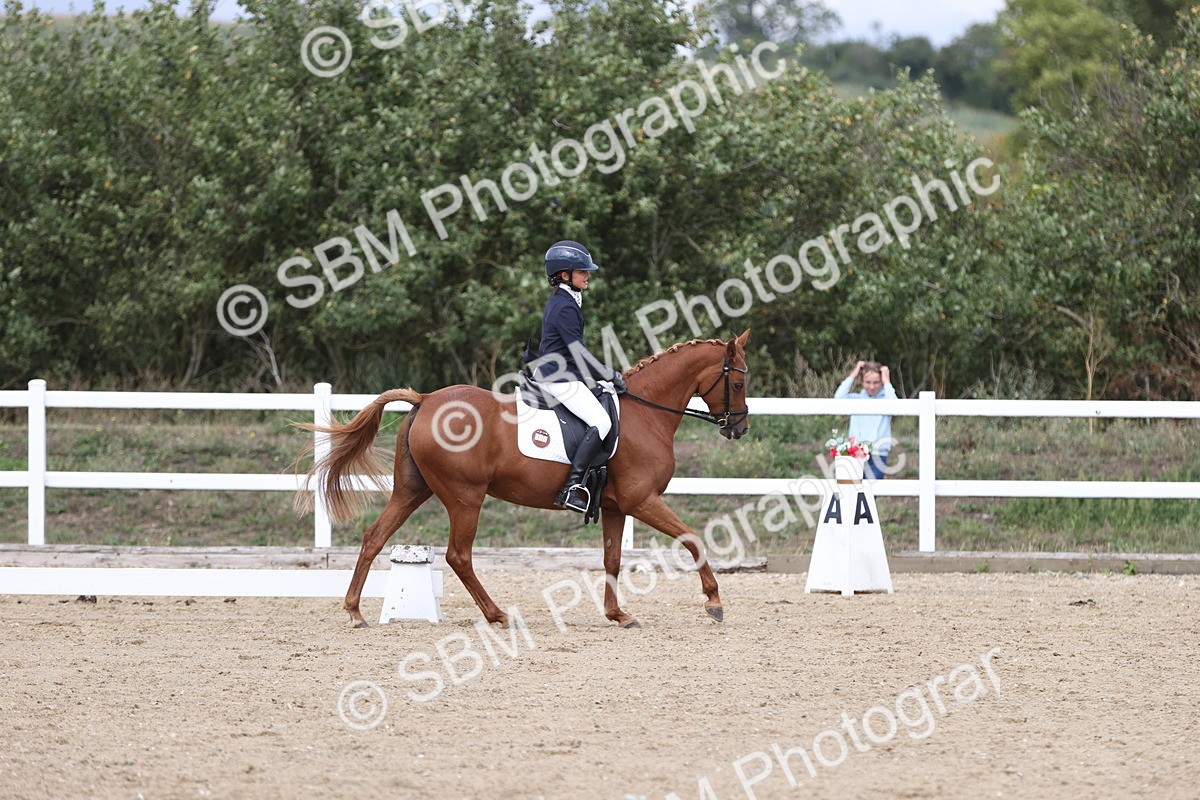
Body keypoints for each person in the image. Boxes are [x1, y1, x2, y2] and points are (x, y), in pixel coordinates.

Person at [533, 240, 627, 512]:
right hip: (558, 377)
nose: (588, 275)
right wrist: (610, 374)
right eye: (583, 271)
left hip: (563, 372)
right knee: (601, 420)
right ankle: (572, 487)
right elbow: (579, 352)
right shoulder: (565, 306)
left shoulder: (565, 299)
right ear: (565, 275)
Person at [834, 360, 896, 479]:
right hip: (855, 453)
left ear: (881, 382)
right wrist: (854, 373)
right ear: (862, 382)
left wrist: (887, 381)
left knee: (870, 495)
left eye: (876, 382)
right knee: (848, 493)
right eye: (868, 382)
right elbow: (838, 398)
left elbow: (895, 407)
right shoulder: (856, 399)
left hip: (878, 455)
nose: (872, 386)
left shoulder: (886, 400)